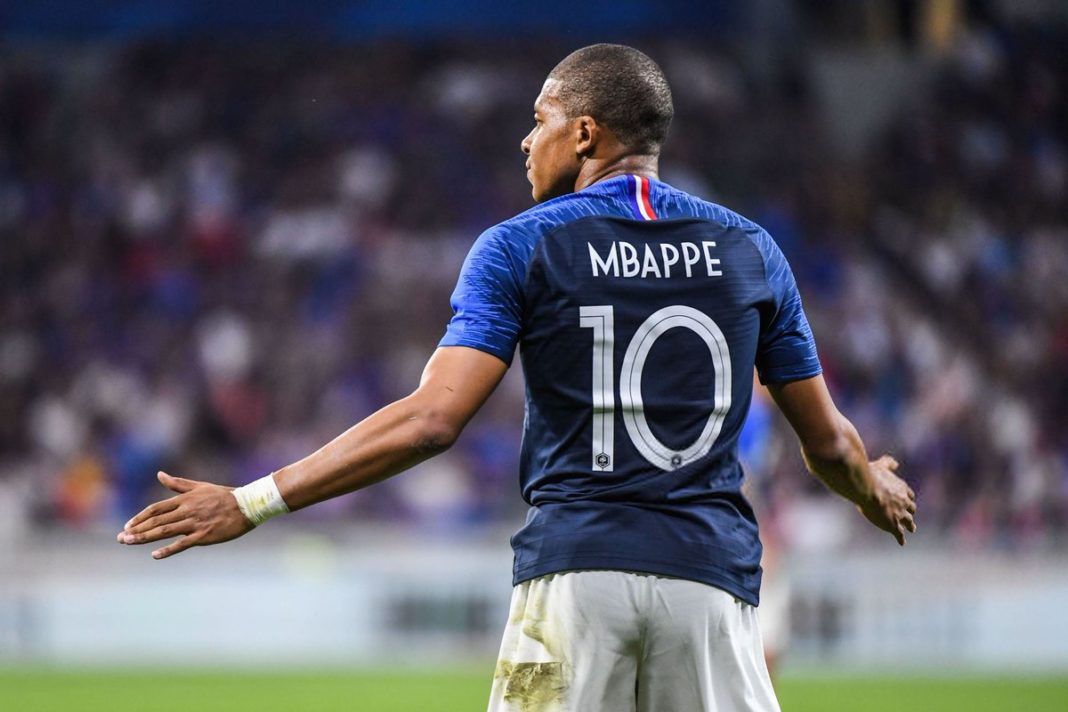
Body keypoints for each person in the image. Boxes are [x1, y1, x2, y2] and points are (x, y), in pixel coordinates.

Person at [118, 44, 917, 711]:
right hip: (710, 589)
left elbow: (433, 419)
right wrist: (872, 488)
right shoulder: (751, 250)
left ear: (586, 132)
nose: (526, 141)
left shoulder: (520, 244)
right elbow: (828, 445)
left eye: (541, 120)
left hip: (571, 586)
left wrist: (254, 501)